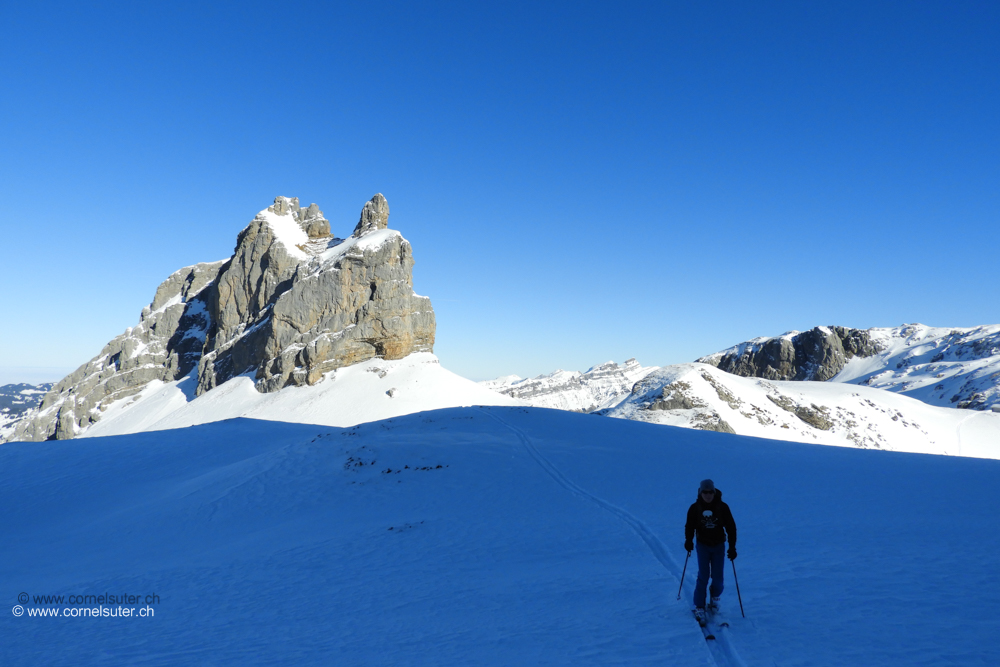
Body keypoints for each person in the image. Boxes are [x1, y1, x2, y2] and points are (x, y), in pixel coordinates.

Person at [684, 479, 737, 623]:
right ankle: (699, 606)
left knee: (718, 578)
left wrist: (732, 547)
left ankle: (714, 598)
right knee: (704, 575)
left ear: (714, 492)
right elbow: (689, 526)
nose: (707, 495)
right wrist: (688, 541)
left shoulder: (722, 507)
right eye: (705, 492)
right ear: (700, 493)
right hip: (703, 545)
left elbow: (731, 528)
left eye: (710, 492)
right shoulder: (694, 508)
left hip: (719, 545)